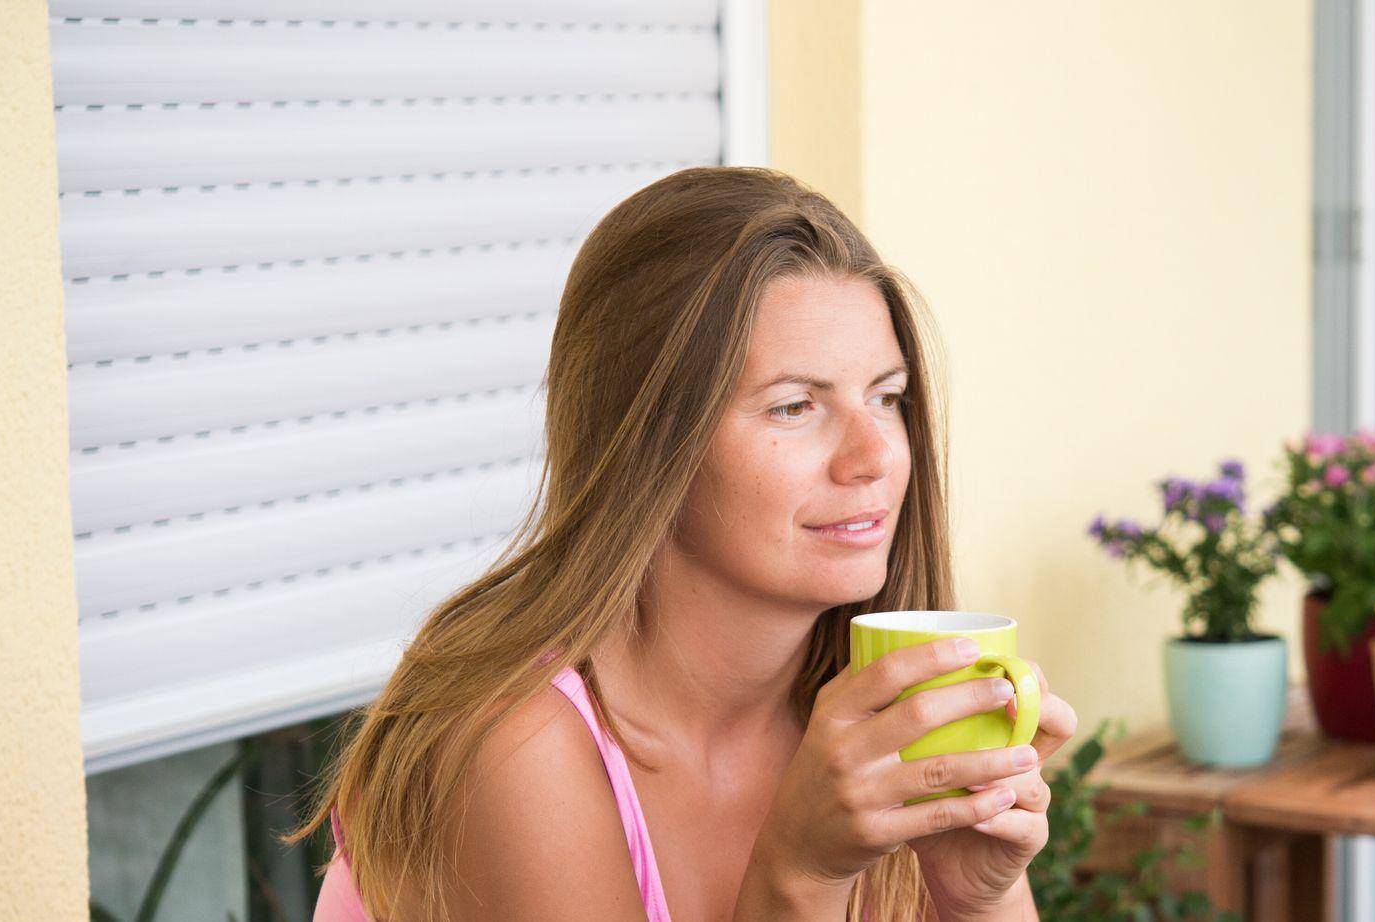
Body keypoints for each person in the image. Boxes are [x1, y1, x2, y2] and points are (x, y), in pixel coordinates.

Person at [286, 166, 1078, 921]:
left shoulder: (865, 730)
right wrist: (801, 871)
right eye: (795, 407)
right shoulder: (512, 744)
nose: (875, 458)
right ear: (650, 444)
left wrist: (980, 900)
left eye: (888, 397)